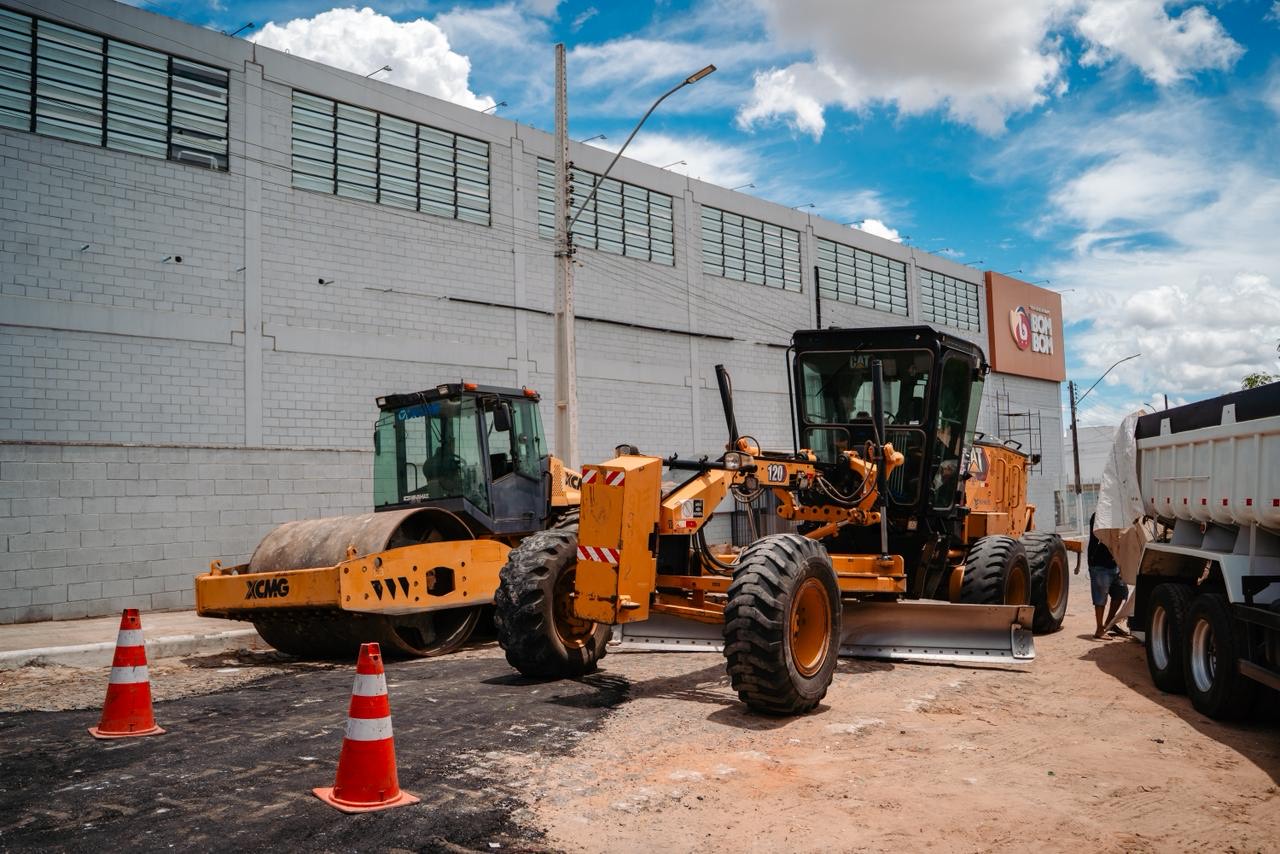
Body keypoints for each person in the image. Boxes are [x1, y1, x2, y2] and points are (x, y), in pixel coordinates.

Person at [1077, 512, 1129, 639]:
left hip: (1114, 562)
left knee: (1121, 592)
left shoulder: (1118, 514)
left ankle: (1108, 623)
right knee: (1100, 598)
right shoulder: (1099, 516)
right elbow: (1106, 535)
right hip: (1099, 563)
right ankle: (1099, 629)